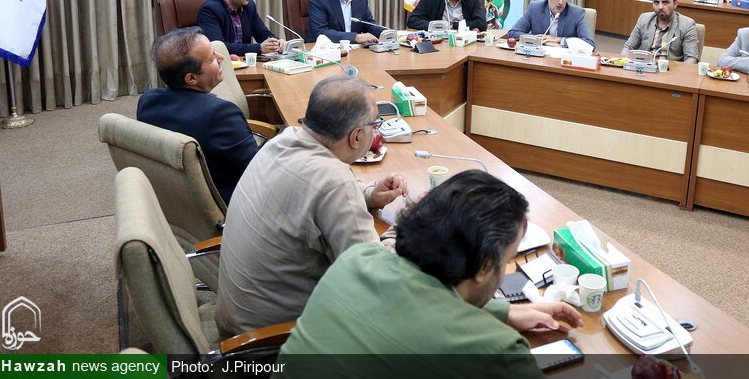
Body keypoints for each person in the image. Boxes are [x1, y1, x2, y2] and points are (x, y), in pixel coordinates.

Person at [278, 171, 583, 378]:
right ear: (484, 267)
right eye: (507, 260)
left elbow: (414, 305)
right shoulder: (497, 350)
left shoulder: (357, 258)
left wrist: (505, 312)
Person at [216, 76, 408, 336]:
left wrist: (368, 195)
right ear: (356, 136)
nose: (376, 131)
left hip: (240, 321)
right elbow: (376, 279)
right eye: (375, 124)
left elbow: (309, 197)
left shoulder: (282, 141)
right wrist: (407, 225)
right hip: (275, 341)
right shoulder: (334, 181)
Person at [137, 27, 258, 203]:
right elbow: (258, 171)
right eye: (212, 58)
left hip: (177, 201)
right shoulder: (220, 114)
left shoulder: (147, 101)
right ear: (191, 79)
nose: (221, 58)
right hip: (235, 203)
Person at [197, 0, 285, 56]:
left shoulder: (249, 6)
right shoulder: (209, 11)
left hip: (245, 61)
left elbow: (262, 33)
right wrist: (259, 48)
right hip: (224, 62)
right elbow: (218, 47)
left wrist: (276, 42)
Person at [507, 0, 595, 48]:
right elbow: (513, 33)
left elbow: (589, 44)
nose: (560, 2)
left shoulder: (576, 13)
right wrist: (541, 40)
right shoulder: (535, 8)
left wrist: (559, 40)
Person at [621, 0, 699, 62]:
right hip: (645, 66)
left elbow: (691, 58)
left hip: (671, 68)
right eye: (656, 2)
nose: (660, 7)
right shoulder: (644, 19)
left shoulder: (687, 24)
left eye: (665, 2)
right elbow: (628, 47)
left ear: (675, 4)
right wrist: (624, 63)